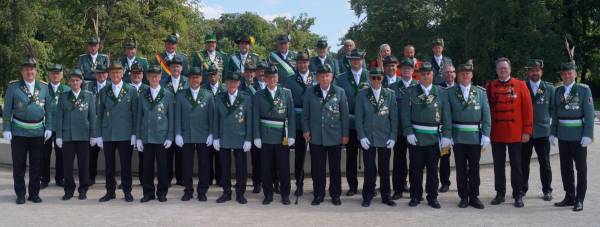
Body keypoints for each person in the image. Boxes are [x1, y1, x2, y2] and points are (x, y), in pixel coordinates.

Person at [401, 62, 452, 209]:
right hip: (416, 137)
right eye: (422, 74)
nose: (425, 76)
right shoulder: (410, 92)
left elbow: (446, 115)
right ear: (418, 75)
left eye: (428, 73)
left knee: (432, 169)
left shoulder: (441, 92)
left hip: (434, 138)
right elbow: (404, 115)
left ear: (433, 75)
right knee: (415, 169)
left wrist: (447, 135)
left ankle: (432, 196)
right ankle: (415, 195)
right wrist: (408, 131)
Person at [3, 58, 53, 204]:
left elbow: (48, 110)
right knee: (19, 165)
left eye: (31, 69)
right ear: (22, 72)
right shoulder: (13, 87)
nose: (29, 72)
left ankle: (34, 194)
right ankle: (20, 194)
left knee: (36, 165)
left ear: (35, 71)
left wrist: (49, 127)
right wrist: (6, 127)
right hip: (18, 132)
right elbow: (6, 110)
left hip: (37, 132)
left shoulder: (43, 87)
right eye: (26, 69)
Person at [486, 57, 533, 208]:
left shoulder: (520, 85)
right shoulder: (490, 86)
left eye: (505, 68)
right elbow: (486, 111)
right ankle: (500, 193)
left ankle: (518, 194)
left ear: (510, 69)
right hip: (497, 133)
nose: (503, 70)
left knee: (517, 166)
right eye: (500, 68)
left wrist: (527, 131)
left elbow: (528, 110)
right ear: (496, 70)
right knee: (498, 165)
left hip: (515, 133)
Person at [302, 64, 349, 206]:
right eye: (321, 75)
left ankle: (335, 194)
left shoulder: (340, 92)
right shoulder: (310, 92)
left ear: (332, 76)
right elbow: (305, 116)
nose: (324, 78)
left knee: (335, 168)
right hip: (316, 136)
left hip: (335, 136)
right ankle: (318, 194)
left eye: (327, 75)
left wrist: (345, 134)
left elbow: (345, 116)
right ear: (317, 77)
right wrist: (305, 130)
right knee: (318, 169)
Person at [551, 62, 594, 212]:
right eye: (564, 73)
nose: (567, 76)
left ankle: (579, 199)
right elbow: (555, 114)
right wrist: (553, 132)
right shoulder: (558, 91)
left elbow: (589, 114)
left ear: (575, 74)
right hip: (563, 135)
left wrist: (588, 134)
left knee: (581, 168)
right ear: (561, 75)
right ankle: (569, 196)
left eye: (570, 73)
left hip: (578, 135)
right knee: (566, 168)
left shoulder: (583, 90)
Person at [447, 62, 490, 209]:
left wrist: (486, 134)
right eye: (462, 73)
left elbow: (486, 115)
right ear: (458, 75)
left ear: (472, 75)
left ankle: (474, 196)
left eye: (468, 73)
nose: (465, 75)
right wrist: (448, 134)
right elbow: (447, 116)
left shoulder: (480, 92)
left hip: (475, 137)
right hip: (458, 137)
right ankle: (463, 196)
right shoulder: (450, 93)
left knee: (474, 168)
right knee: (460, 168)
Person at [96, 61, 139, 203]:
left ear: (122, 74)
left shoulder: (131, 90)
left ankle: (127, 191)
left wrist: (134, 134)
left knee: (126, 165)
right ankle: (110, 191)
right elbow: (100, 114)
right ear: (109, 74)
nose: (115, 75)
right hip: (108, 133)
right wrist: (98, 135)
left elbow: (134, 114)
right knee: (109, 165)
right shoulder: (104, 91)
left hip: (125, 134)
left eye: (118, 72)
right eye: (113, 72)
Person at [253, 65, 295, 205]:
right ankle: (268, 194)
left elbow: (291, 116)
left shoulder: (286, 93)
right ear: (264, 78)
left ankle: (285, 194)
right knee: (266, 167)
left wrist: (292, 136)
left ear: (278, 78)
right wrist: (257, 136)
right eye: (269, 77)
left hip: (282, 136)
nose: (271, 79)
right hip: (265, 136)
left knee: (284, 167)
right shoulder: (259, 95)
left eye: (274, 77)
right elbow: (255, 117)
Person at [355, 69, 398, 207]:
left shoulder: (390, 95)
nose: (376, 81)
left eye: (378, 78)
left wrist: (393, 136)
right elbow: (358, 118)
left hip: (385, 137)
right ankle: (367, 196)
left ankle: (386, 196)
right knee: (369, 170)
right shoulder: (362, 95)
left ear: (382, 79)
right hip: (368, 137)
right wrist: (361, 136)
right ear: (369, 78)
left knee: (385, 169)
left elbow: (394, 118)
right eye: (373, 78)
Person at [175, 67, 215, 202]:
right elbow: (177, 116)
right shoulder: (181, 95)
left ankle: (202, 191)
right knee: (187, 165)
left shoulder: (208, 95)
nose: (194, 80)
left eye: (197, 77)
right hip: (187, 135)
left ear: (201, 79)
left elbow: (212, 117)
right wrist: (178, 134)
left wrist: (211, 134)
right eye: (192, 77)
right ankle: (188, 190)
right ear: (189, 79)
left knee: (204, 165)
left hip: (203, 135)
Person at [55, 68, 96, 201]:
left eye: (77, 80)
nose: (74, 82)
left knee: (84, 165)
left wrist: (93, 135)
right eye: (72, 80)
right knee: (67, 166)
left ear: (81, 81)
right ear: (69, 82)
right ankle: (69, 189)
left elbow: (92, 118)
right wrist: (59, 136)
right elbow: (59, 118)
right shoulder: (63, 96)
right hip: (68, 136)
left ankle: (83, 189)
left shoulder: (88, 96)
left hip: (83, 136)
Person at [213, 72, 253, 204]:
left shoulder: (246, 98)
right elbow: (216, 119)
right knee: (224, 167)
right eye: (229, 82)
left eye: (234, 82)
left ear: (239, 84)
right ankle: (226, 192)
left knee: (241, 168)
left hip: (240, 137)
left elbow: (248, 120)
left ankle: (240, 194)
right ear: (225, 83)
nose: (231, 84)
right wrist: (216, 137)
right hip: (224, 136)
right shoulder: (219, 98)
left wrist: (248, 139)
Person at [137, 64, 175, 203]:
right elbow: (138, 118)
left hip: (162, 137)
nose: (154, 78)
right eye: (151, 75)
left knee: (163, 167)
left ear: (160, 77)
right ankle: (148, 193)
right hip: (146, 136)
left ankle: (162, 192)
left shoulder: (168, 95)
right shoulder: (142, 95)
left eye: (157, 76)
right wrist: (138, 138)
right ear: (147, 77)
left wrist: (170, 136)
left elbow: (171, 117)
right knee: (147, 167)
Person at [334, 49, 370, 196]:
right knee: (351, 157)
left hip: (367, 124)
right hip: (349, 123)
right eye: (353, 59)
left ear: (362, 60)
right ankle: (352, 186)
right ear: (349, 61)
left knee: (369, 157)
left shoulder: (371, 76)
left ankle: (370, 186)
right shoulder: (341, 78)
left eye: (358, 59)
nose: (355, 62)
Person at [522, 59, 554, 201]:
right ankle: (522, 188)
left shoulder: (549, 88)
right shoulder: (522, 87)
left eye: (537, 70)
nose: (534, 72)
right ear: (528, 72)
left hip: (543, 132)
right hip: (525, 132)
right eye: (532, 70)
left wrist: (551, 127)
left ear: (541, 71)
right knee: (523, 162)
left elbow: (553, 109)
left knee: (545, 162)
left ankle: (547, 190)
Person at [283, 52, 316, 196]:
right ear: (296, 64)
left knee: (316, 156)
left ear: (309, 62)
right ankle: (299, 185)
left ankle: (317, 185)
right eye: (300, 62)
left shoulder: (316, 78)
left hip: (313, 122)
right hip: (296, 123)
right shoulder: (289, 80)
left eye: (305, 62)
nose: (302, 65)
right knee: (299, 156)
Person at [389, 58, 419, 200]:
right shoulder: (393, 87)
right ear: (400, 71)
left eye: (409, 69)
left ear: (413, 71)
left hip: (415, 130)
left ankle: (415, 189)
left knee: (415, 161)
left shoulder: (419, 86)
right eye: (404, 69)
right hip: (400, 130)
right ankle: (398, 189)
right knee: (398, 161)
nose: (406, 71)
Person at [160, 56, 189, 187]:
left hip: (183, 120)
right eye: (173, 66)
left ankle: (181, 178)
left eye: (178, 66)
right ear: (169, 68)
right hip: (167, 119)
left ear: (182, 68)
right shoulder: (163, 82)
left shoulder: (187, 81)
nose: (175, 68)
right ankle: (167, 178)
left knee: (182, 153)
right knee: (167, 152)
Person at [41, 63, 70, 189]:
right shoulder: (43, 89)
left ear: (62, 75)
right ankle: (45, 178)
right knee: (44, 154)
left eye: (58, 73)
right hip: (46, 126)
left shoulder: (67, 90)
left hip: (61, 127)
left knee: (61, 154)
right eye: (53, 73)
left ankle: (60, 178)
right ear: (49, 75)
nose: (55, 75)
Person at [85, 64, 109, 186]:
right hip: (93, 125)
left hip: (108, 125)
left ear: (107, 74)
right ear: (95, 74)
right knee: (92, 154)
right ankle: (91, 177)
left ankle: (110, 179)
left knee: (109, 155)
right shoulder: (88, 86)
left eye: (103, 73)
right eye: (98, 73)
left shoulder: (111, 87)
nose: (101, 75)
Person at [203, 65, 225, 186]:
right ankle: (208, 178)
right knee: (207, 156)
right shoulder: (203, 89)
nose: (212, 77)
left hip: (221, 127)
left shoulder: (225, 88)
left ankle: (220, 178)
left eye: (214, 74)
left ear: (218, 75)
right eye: (210, 75)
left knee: (220, 155)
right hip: (207, 126)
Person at [437, 64, 457, 193]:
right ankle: (445, 182)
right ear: (443, 75)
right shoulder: (438, 88)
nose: (449, 74)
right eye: (447, 72)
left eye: (451, 72)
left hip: (459, 127)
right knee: (444, 156)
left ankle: (465, 181)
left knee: (463, 156)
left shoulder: (461, 87)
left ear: (455, 74)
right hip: (444, 128)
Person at [129, 63, 149, 186]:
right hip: (128, 126)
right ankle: (127, 181)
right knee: (127, 157)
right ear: (130, 74)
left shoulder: (147, 89)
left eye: (139, 73)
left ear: (143, 75)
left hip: (143, 126)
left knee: (144, 156)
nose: (136, 75)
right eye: (134, 73)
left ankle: (143, 179)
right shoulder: (125, 88)